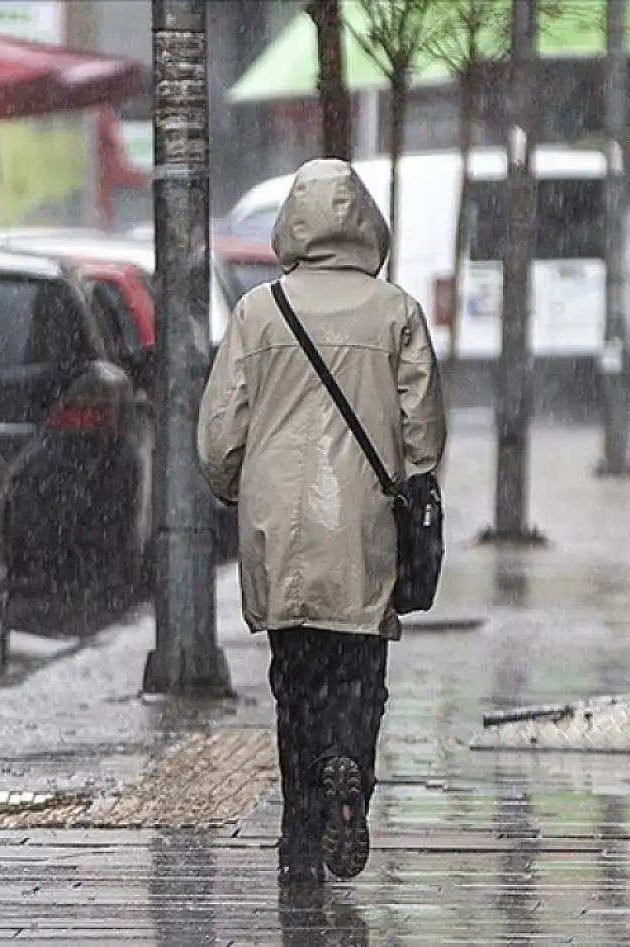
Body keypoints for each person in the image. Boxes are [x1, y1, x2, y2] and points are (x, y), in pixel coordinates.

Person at [197, 158, 446, 885]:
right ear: (366, 223)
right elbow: (422, 431)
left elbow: (221, 434)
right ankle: (349, 770)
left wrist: (233, 488)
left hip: (280, 524)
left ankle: (299, 836)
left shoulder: (258, 311)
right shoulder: (395, 310)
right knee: (360, 674)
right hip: (362, 518)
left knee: (295, 678)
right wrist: (413, 479)